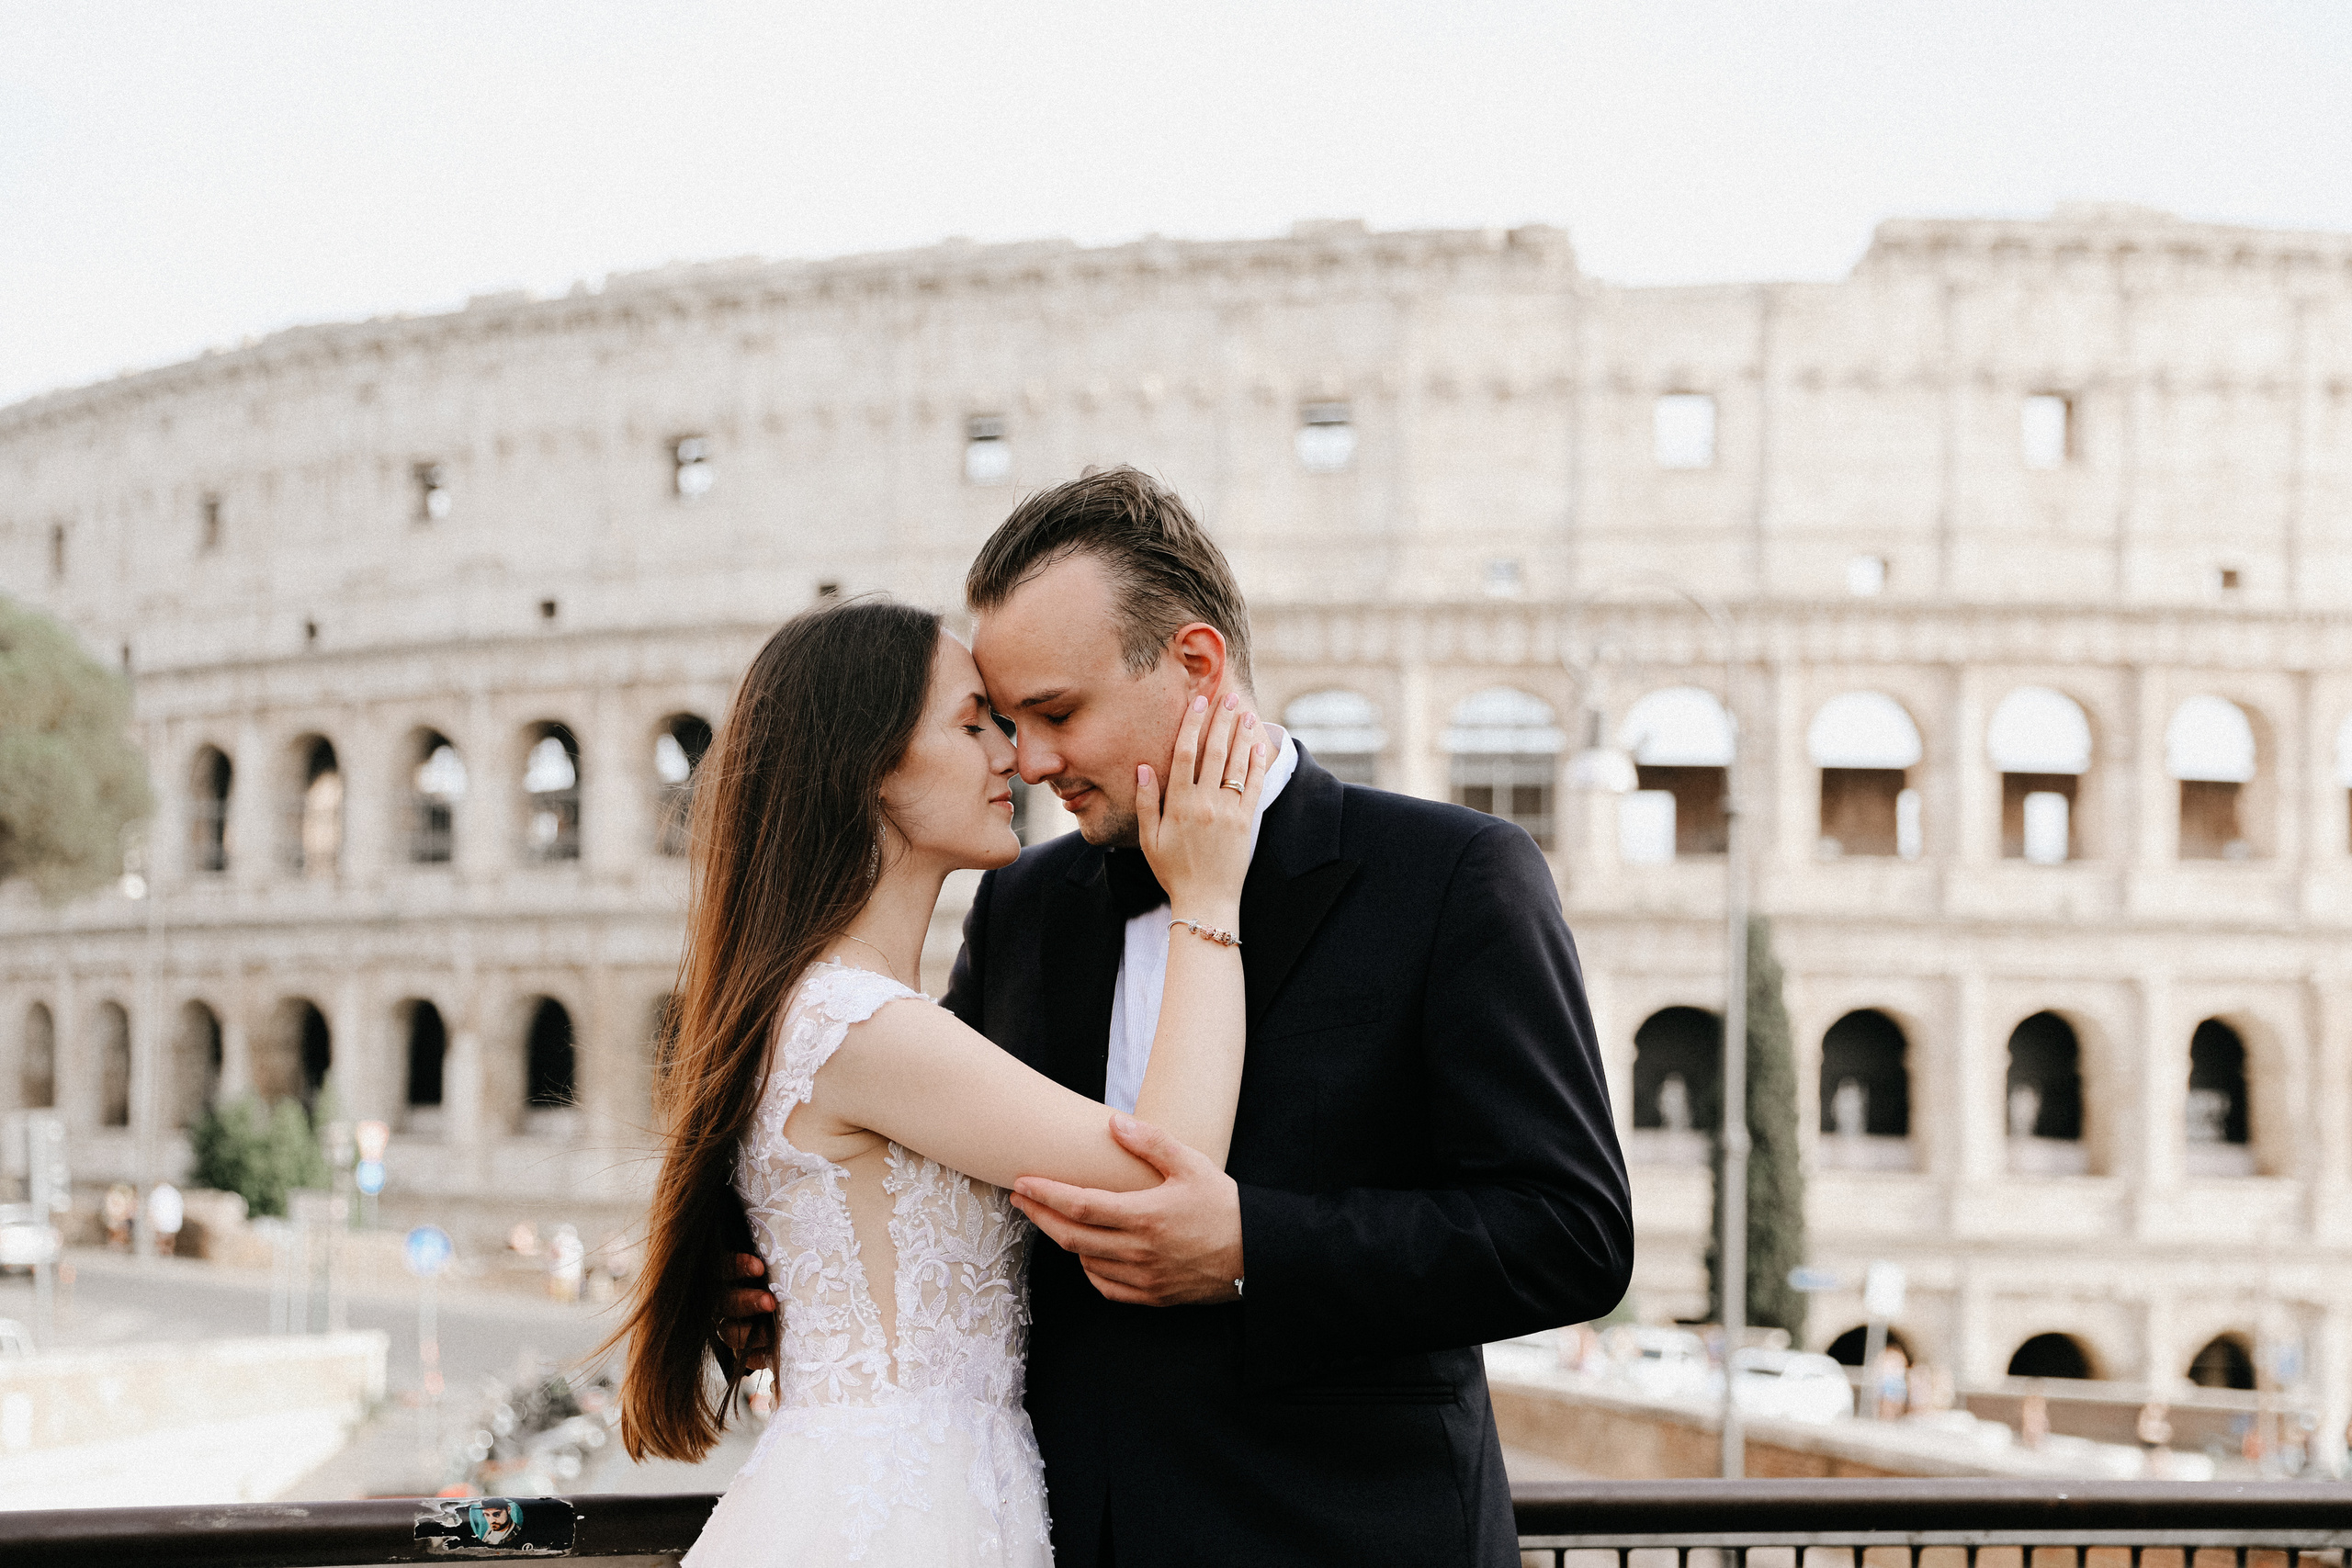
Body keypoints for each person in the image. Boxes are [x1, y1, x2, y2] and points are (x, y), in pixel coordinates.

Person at [718, 468, 1634, 1566]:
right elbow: (942, 1176)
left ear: (1195, 665)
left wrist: (1255, 1247)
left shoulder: (1454, 877)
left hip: (1346, 1539)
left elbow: (1571, 1235)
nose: (1033, 761)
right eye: (1005, 722)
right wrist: (786, 1279)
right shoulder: (1023, 905)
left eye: (1057, 713)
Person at [611, 594, 1271, 1568]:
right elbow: (1161, 1178)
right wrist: (1209, 900)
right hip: (896, 1516)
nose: (1015, 756)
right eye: (974, 725)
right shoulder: (858, 1025)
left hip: (910, 1493)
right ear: (867, 767)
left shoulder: (845, 1010)